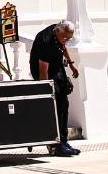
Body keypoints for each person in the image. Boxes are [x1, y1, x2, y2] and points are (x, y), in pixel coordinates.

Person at [30, 20, 81, 157]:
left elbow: (62, 47)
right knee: (55, 107)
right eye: (64, 37)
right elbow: (43, 69)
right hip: (44, 71)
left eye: (69, 38)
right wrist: (46, 92)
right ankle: (55, 144)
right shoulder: (45, 41)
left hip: (56, 66)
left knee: (64, 104)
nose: (66, 40)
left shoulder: (59, 33)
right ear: (58, 31)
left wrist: (71, 64)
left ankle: (64, 141)